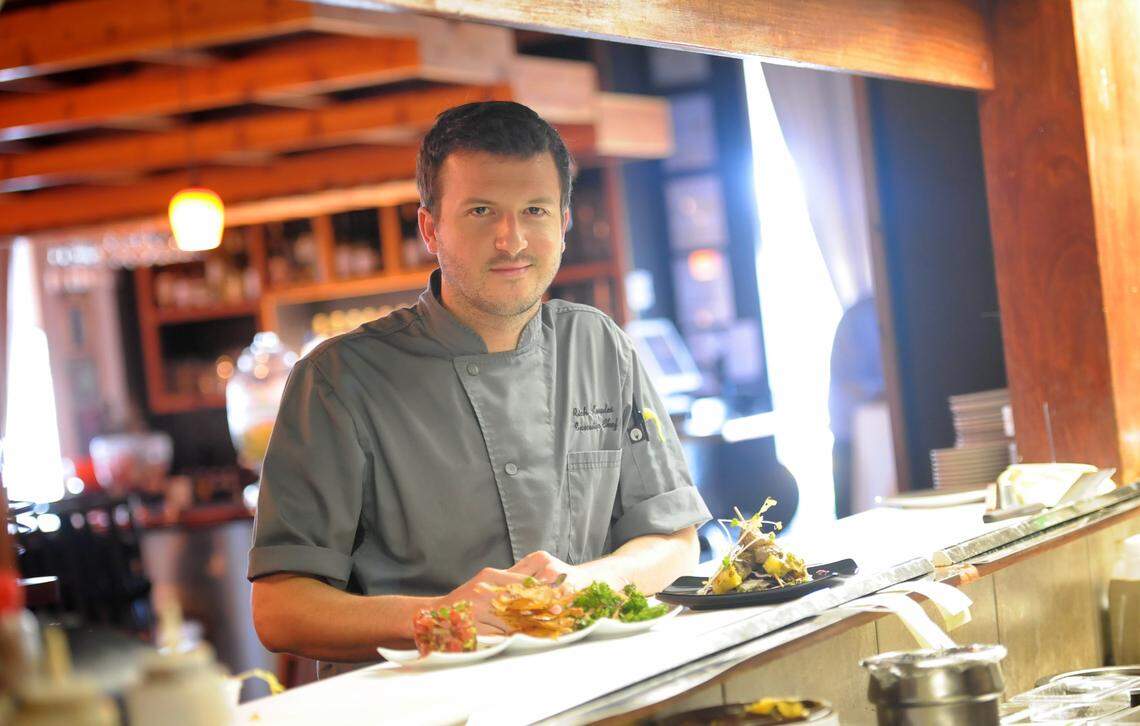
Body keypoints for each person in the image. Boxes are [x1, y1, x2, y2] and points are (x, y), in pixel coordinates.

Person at [248, 101, 711, 672]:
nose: (511, 239)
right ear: (430, 228)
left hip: (595, 688)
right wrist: (439, 617)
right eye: (481, 210)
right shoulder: (338, 380)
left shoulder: (600, 345)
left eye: (535, 210)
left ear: (563, 222)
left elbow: (674, 541)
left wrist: (587, 582)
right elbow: (280, 608)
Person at [828, 296, 886, 518]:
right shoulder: (859, 316)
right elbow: (849, 384)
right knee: (851, 518)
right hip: (849, 438)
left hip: (871, 437)